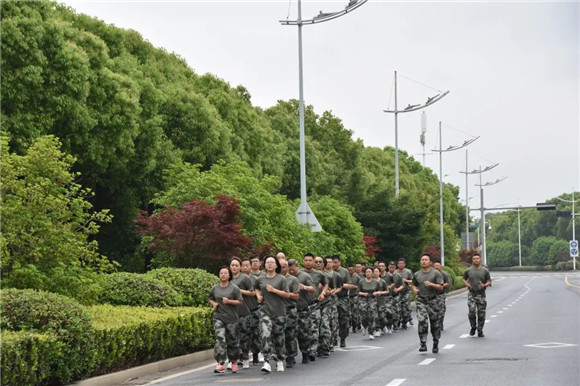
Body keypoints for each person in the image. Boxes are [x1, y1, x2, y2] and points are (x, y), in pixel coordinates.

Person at [256, 255, 290, 373]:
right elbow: (256, 288)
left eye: (272, 262)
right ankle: (266, 361)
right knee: (265, 334)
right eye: (267, 262)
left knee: (279, 337)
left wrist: (274, 290)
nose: (269, 264)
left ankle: (280, 360)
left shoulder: (281, 279)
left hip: (279, 312)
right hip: (265, 311)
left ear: (276, 265)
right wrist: (258, 296)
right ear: (264, 265)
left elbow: (287, 294)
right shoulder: (261, 278)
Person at [209, 266, 244, 374]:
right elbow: (210, 298)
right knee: (220, 338)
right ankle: (220, 363)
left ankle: (233, 361)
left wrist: (229, 301)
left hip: (232, 318)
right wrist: (214, 303)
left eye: (225, 273)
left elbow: (240, 302)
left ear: (229, 275)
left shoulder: (234, 288)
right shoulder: (215, 288)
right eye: (221, 273)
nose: (223, 275)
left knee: (232, 340)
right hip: (218, 317)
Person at [411, 254, 444, 353]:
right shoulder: (417, 274)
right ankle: (423, 343)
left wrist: (431, 284)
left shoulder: (436, 273)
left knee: (435, 324)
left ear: (430, 262)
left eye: (426, 260)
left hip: (433, 301)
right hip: (421, 300)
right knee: (422, 321)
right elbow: (413, 284)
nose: (423, 261)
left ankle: (435, 342)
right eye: (422, 260)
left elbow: (441, 287)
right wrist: (414, 290)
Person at [302, 253, 328, 362]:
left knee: (314, 327)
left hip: (315, 304)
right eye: (306, 260)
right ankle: (305, 349)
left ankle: (312, 350)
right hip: (302, 305)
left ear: (313, 262)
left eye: (310, 260)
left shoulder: (319, 274)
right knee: (304, 329)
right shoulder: (299, 273)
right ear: (303, 261)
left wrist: (323, 293)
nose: (308, 262)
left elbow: (326, 284)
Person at [229, 257, 255, 369]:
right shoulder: (227, 278)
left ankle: (245, 358)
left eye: (236, 265)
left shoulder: (244, 278)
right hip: (231, 313)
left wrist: (239, 291)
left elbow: (252, 292)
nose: (234, 267)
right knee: (232, 337)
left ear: (240, 267)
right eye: (232, 265)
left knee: (244, 336)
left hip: (244, 311)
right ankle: (233, 359)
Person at [288, 259, 315, 364]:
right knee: (290, 334)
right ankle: (290, 356)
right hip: (290, 309)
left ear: (297, 266)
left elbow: (313, 288)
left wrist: (303, 287)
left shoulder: (304, 276)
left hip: (302, 308)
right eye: (289, 270)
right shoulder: (286, 278)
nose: (291, 272)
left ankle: (305, 352)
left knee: (303, 332)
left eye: (293, 269)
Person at [462, 253, 492, 337]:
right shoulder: (468, 270)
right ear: (472, 260)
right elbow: (463, 279)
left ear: (480, 259)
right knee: (471, 312)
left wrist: (485, 285)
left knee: (481, 313)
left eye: (477, 258)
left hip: (481, 294)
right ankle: (473, 327)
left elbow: (489, 281)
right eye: (474, 258)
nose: (476, 260)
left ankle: (480, 330)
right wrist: (467, 284)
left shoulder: (485, 271)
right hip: (472, 294)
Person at [240, 257, 262, 365]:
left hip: (254, 310)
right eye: (243, 266)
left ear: (250, 267)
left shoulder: (255, 280)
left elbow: (258, 292)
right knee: (243, 334)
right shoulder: (236, 279)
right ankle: (243, 356)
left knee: (255, 333)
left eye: (246, 265)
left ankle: (255, 355)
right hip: (242, 311)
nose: (244, 268)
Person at [280, 259, 300, 368]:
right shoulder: (275, 279)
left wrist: (286, 294)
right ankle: (278, 354)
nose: (282, 269)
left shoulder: (293, 280)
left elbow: (296, 296)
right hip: (278, 310)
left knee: (290, 333)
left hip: (290, 309)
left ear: (288, 268)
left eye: (284, 267)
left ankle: (290, 356)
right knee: (278, 333)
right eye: (280, 267)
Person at [332, 255, 355, 347]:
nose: (334, 264)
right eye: (332, 262)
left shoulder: (344, 271)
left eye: (335, 262)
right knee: (332, 320)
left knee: (344, 320)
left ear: (339, 262)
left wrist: (340, 286)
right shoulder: (328, 271)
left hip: (343, 298)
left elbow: (350, 285)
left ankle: (342, 338)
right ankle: (332, 339)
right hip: (332, 298)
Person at [357, 267, 379, 340]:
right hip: (363, 299)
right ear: (365, 273)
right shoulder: (361, 281)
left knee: (371, 315)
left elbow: (379, 291)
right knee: (363, 314)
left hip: (372, 299)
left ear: (372, 273)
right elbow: (358, 291)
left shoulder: (375, 282)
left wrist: (376, 293)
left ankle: (371, 332)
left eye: (370, 272)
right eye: (367, 272)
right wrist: (363, 294)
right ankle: (364, 325)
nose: (368, 273)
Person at [397, 258, 414, 329]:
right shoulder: (395, 272)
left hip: (406, 291)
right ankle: (397, 322)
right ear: (397, 264)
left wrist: (406, 280)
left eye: (402, 263)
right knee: (398, 308)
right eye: (399, 263)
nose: (401, 265)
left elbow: (412, 281)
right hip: (398, 292)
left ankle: (404, 322)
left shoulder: (408, 271)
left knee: (405, 307)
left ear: (404, 264)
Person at [433, 261, 450, 331]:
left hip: (441, 294)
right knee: (433, 310)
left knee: (441, 310)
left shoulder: (444, 274)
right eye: (435, 265)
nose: (436, 267)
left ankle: (440, 323)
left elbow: (448, 283)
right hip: (432, 294)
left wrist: (442, 286)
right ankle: (434, 324)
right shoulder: (431, 274)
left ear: (440, 266)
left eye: (438, 265)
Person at [372, 267, 389, 336]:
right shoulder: (371, 281)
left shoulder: (383, 281)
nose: (375, 273)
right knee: (375, 316)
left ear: (379, 273)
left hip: (381, 300)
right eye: (374, 271)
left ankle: (384, 325)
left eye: (377, 271)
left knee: (382, 316)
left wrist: (381, 292)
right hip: (373, 300)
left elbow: (387, 291)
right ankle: (377, 329)